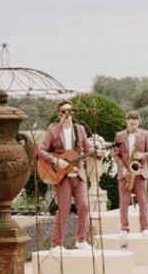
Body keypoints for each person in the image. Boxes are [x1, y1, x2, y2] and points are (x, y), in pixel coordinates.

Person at [36, 100, 100, 253]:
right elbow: (40, 150)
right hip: (62, 175)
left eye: (70, 111)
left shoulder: (80, 130)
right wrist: (56, 160)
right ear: (59, 114)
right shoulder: (53, 130)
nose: (68, 114)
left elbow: (87, 147)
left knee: (84, 206)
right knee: (63, 208)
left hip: (78, 173)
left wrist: (95, 152)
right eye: (64, 111)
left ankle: (81, 240)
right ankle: (56, 244)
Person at [114, 110, 148, 241]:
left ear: (138, 122)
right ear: (127, 122)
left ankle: (145, 228)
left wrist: (142, 155)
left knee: (143, 201)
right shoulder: (119, 136)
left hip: (140, 172)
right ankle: (124, 228)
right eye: (131, 124)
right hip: (125, 173)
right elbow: (116, 154)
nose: (133, 126)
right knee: (123, 202)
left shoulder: (145, 134)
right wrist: (122, 168)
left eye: (135, 124)